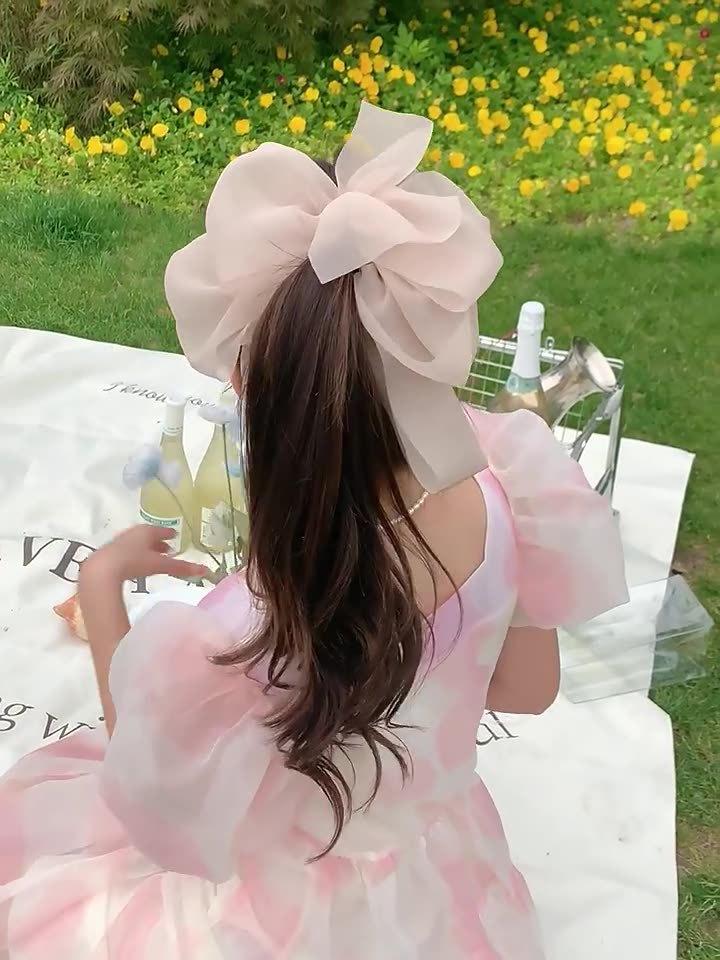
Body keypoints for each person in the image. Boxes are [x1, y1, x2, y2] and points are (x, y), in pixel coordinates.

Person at [0, 103, 628, 958]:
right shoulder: (512, 481)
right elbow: (526, 689)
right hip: (435, 881)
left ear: (256, 393)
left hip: (277, 912)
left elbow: (154, 782)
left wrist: (101, 584)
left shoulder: (274, 609)